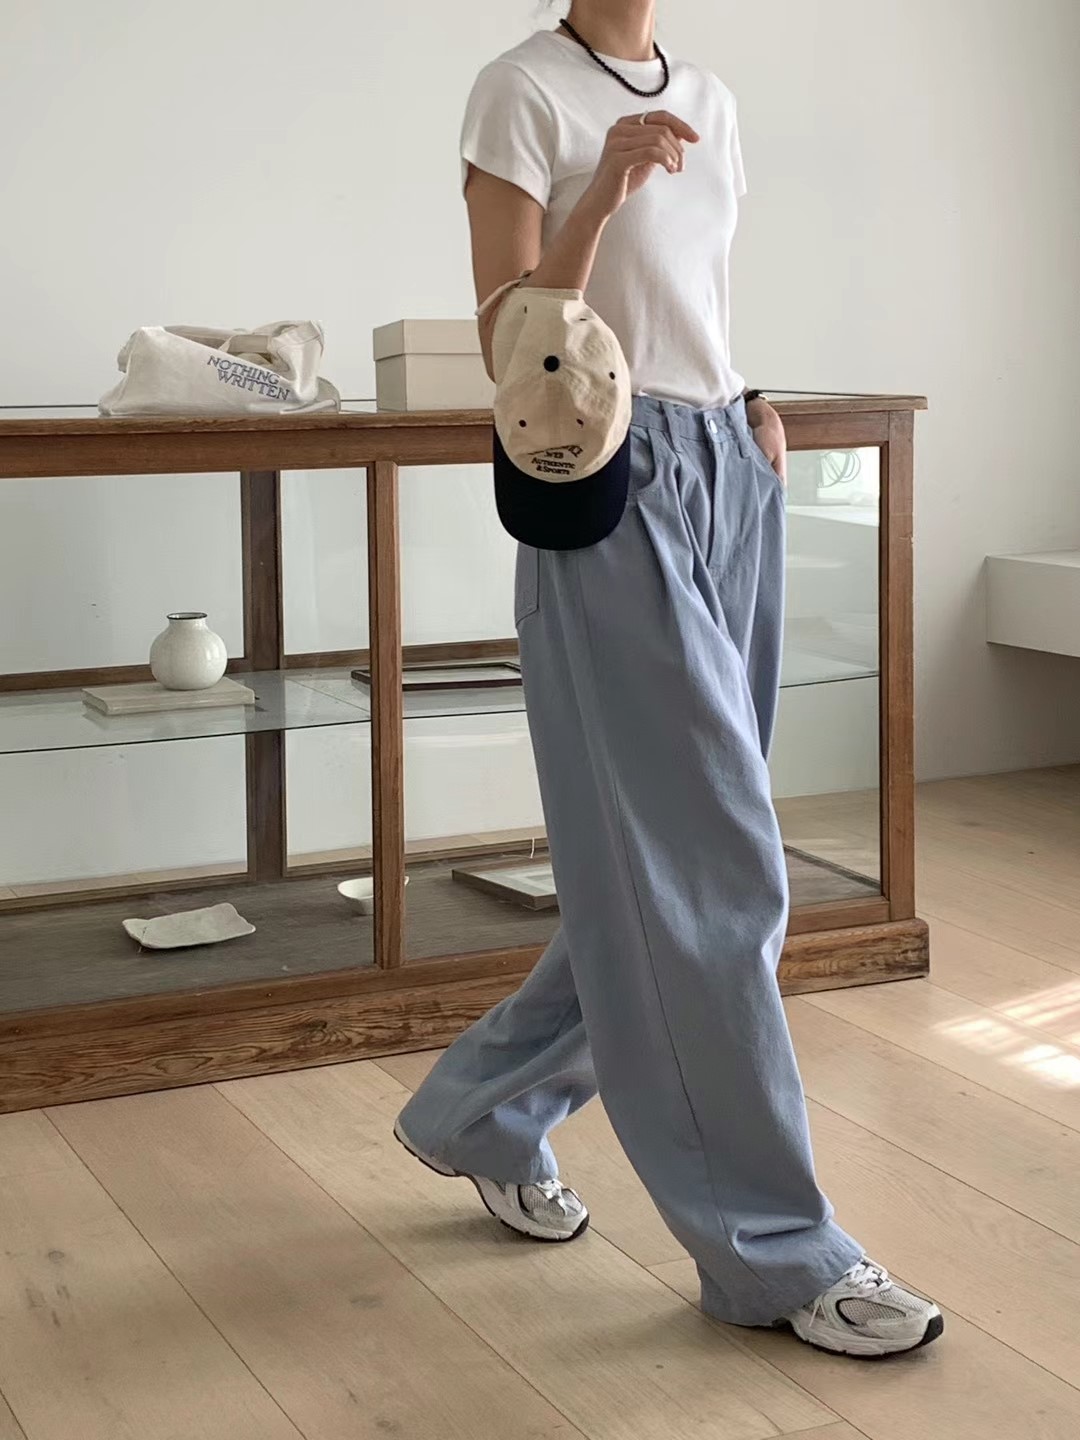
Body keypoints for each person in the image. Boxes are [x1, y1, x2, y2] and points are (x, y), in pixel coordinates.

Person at [395, 0, 944, 1358]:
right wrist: (605, 190)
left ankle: (481, 1113)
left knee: (669, 866)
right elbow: (508, 332)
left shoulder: (712, 94)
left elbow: (689, 299)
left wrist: (744, 398)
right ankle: (773, 1250)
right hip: (608, 473)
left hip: (727, 467)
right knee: (712, 868)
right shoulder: (522, 90)